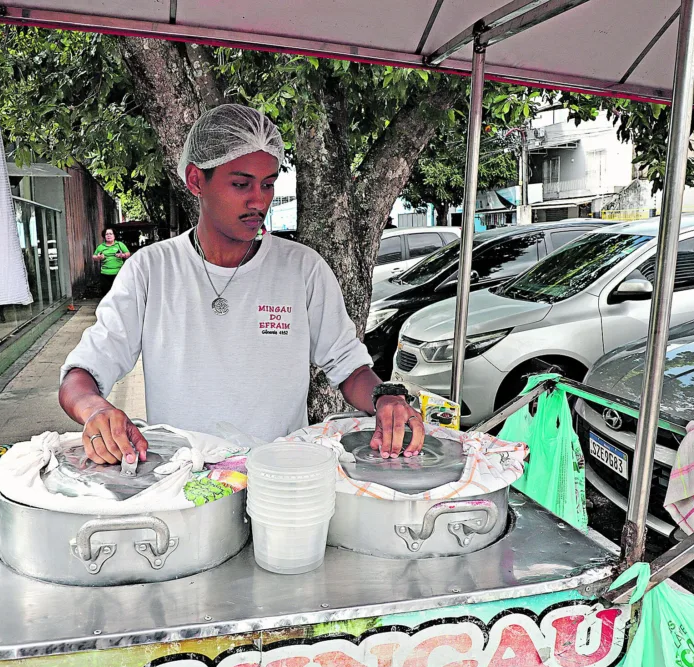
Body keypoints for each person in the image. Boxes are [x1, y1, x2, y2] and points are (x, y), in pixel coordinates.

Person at [60, 104, 424, 466]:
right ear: (195, 180)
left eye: (268, 184)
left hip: (280, 480)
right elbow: (81, 375)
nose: (259, 200)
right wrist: (95, 410)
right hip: (186, 484)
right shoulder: (151, 271)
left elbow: (350, 368)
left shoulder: (301, 269)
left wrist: (384, 397)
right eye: (240, 184)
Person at [93, 227, 130, 294]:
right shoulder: (101, 246)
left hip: (118, 273)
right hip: (105, 273)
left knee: (118, 292)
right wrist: (98, 257)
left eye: (110, 234)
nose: (108, 235)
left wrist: (122, 255)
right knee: (106, 293)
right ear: (104, 236)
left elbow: (128, 254)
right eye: (106, 234)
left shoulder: (119, 244)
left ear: (114, 236)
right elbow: (94, 256)